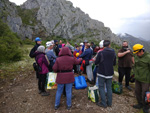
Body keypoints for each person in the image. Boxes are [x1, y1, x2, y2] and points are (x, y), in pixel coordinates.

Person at [95, 40, 116, 108]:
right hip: (110, 73)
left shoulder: (101, 53)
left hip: (101, 72)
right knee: (109, 87)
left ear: (103, 46)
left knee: (101, 87)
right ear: (109, 45)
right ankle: (109, 103)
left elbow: (96, 62)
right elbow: (114, 63)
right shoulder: (113, 52)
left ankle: (103, 103)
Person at [132, 44, 150, 113]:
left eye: (137, 53)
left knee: (145, 94)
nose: (136, 54)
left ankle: (146, 107)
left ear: (141, 51)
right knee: (137, 92)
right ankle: (140, 104)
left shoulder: (148, 58)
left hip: (145, 80)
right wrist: (133, 75)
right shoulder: (136, 56)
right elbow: (135, 67)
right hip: (137, 78)